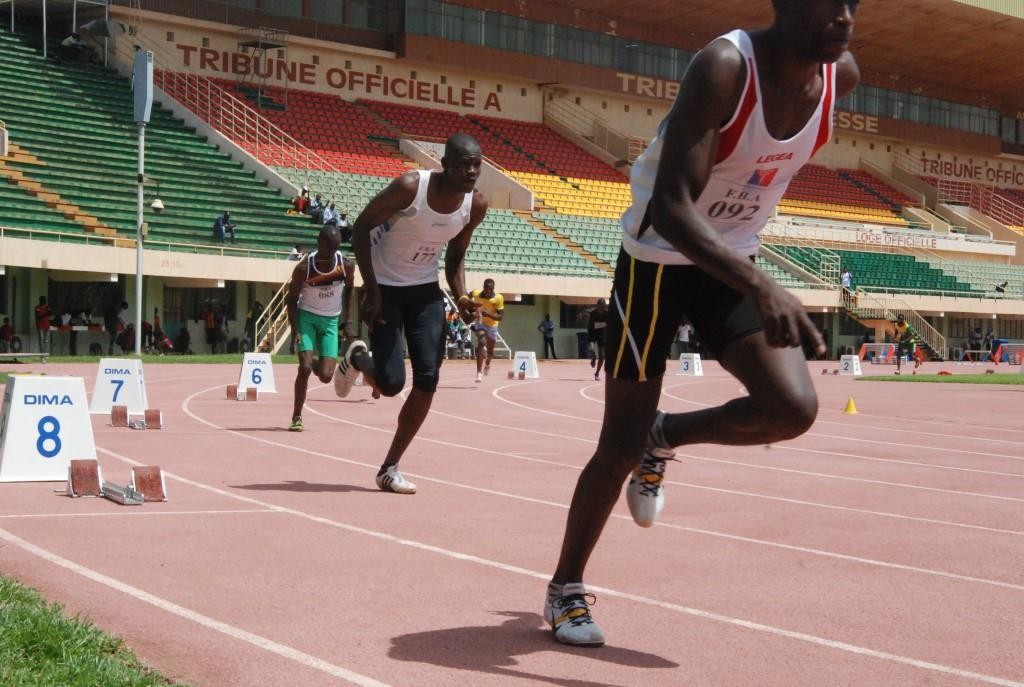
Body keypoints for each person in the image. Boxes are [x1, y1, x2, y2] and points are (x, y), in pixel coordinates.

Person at [544, 0, 860, 647]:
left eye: (856, 3)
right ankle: (565, 586)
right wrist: (763, 283)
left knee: (793, 406)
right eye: (832, 2)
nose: (846, 17)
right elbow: (670, 208)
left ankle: (668, 435)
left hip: (729, 260)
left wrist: (749, 264)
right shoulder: (724, 67)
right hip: (657, 259)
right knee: (616, 445)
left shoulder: (840, 78)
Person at [336, 133, 487, 494]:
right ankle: (357, 357)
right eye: (464, 164)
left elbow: (455, 258)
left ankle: (390, 467)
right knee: (390, 384)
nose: (471, 171)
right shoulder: (410, 188)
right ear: (445, 164)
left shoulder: (475, 205)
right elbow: (359, 229)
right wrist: (371, 290)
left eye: (476, 165)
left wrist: (462, 295)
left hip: (424, 292)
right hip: (385, 288)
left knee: (428, 378)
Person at [286, 225, 354, 432]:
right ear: (318, 243)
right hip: (307, 316)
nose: (329, 255)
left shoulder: (347, 265)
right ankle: (297, 416)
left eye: (333, 250)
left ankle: (313, 360)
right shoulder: (304, 267)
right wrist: (295, 330)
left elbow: (350, 290)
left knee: (325, 376)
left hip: (331, 321)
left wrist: (347, 321)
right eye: (325, 249)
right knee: (304, 369)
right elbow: (290, 300)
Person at [470, 278, 504, 383]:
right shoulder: (476, 293)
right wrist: (471, 308)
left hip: (492, 325)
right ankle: (479, 372)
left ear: (493, 288)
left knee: (490, 352)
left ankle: (487, 364)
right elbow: (467, 297)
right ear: (483, 287)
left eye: (491, 290)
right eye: (487, 289)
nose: (488, 292)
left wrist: (488, 313)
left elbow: (500, 317)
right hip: (480, 323)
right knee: (481, 341)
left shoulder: (498, 298)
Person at [586, 298, 608, 382]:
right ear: (597, 306)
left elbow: (609, 324)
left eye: (603, 307)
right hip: (592, 334)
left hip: (601, 336)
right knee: (592, 350)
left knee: (602, 357)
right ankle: (594, 356)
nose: (601, 309)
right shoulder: (593, 313)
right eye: (600, 307)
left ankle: (597, 373)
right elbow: (592, 326)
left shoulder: (607, 314)